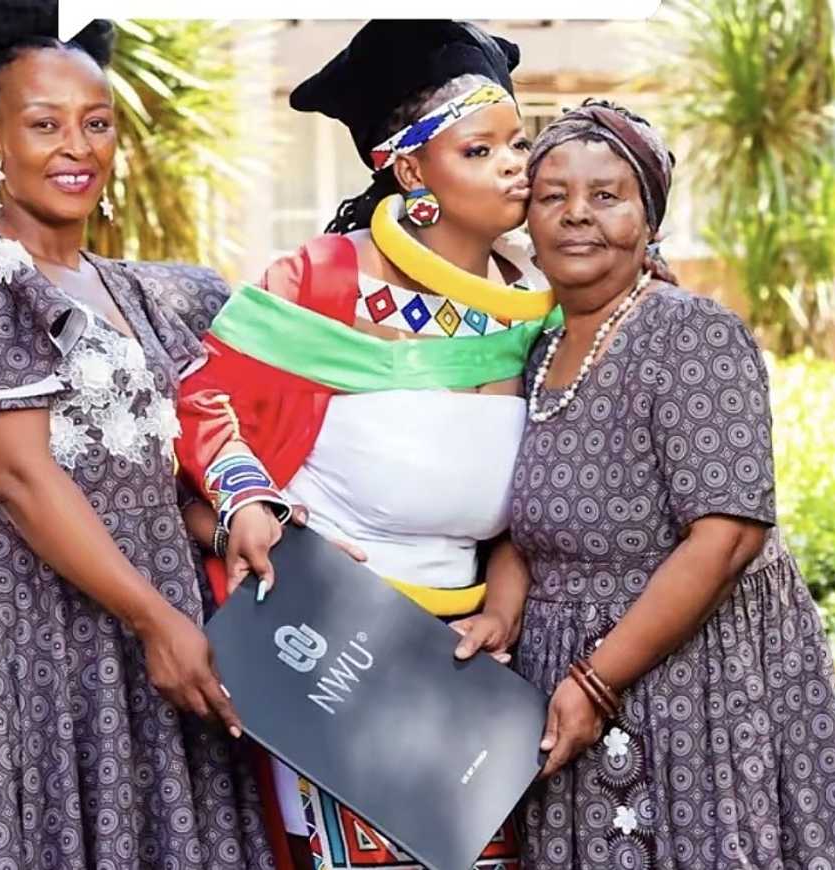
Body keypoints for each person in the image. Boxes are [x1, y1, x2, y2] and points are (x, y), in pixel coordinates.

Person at [0, 2, 271, 866]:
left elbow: (146, 477)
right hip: (20, 633)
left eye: (97, 123)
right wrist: (157, 621)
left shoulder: (139, 290)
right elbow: (23, 481)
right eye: (45, 124)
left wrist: (236, 524)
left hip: (152, 612)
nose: (76, 146)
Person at [175, 20, 559, 870]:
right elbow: (203, 396)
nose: (512, 166)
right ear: (411, 168)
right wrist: (246, 501)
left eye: (517, 144)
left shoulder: (539, 304)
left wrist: (504, 597)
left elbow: (541, 490)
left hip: (477, 662)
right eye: (479, 149)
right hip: (335, 648)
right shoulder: (317, 283)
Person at [492, 98, 835, 868]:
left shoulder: (692, 336)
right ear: (526, 222)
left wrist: (597, 682)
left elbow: (728, 537)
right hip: (566, 686)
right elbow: (524, 527)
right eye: (552, 196)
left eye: (606, 196)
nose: (575, 215)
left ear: (650, 220)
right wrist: (503, 614)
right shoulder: (535, 354)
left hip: (697, 686)